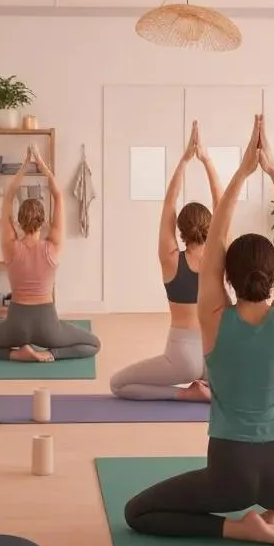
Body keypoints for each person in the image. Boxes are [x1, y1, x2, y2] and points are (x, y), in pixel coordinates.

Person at [124, 114, 274, 546]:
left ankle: (237, 527)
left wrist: (241, 172)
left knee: (139, 512)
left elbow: (216, 241)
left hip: (226, 476)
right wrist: (273, 171)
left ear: (227, 278)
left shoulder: (214, 317)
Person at [110, 121, 222, 401]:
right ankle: (212, 389)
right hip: (216, 356)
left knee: (118, 384)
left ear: (181, 230)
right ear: (212, 226)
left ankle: (185, 395)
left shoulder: (171, 259)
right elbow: (223, 202)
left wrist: (184, 161)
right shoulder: (219, 256)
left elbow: (168, 205)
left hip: (181, 355)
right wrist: (206, 160)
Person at [0, 145, 101, 362]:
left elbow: (8, 197)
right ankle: (50, 354)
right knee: (93, 343)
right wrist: (41, 163)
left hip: (16, 324)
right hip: (48, 325)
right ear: (44, 221)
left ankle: (15, 354)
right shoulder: (53, 245)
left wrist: (25, 165)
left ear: (18, 221)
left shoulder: (10, 246)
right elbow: (59, 196)